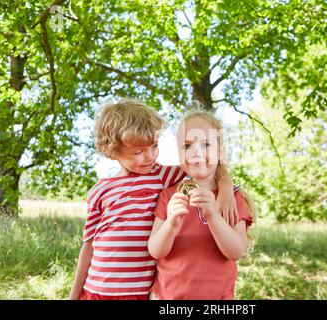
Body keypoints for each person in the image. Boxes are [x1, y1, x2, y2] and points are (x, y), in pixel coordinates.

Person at [69, 99, 237, 300]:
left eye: (154, 146)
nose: (150, 156)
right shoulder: (99, 190)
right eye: (139, 151)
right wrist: (74, 295)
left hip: (138, 294)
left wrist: (226, 187)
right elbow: (88, 246)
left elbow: (202, 171)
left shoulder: (162, 177)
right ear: (112, 152)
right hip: (95, 291)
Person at [148, 107, 255, 300]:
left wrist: (213, 216)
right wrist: (171, 223)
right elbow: (155, 251)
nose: (196, 152)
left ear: (220, 152)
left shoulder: (233, 198)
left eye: (206, 144)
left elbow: (236, 252)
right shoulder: (168, 195)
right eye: (187, 146)